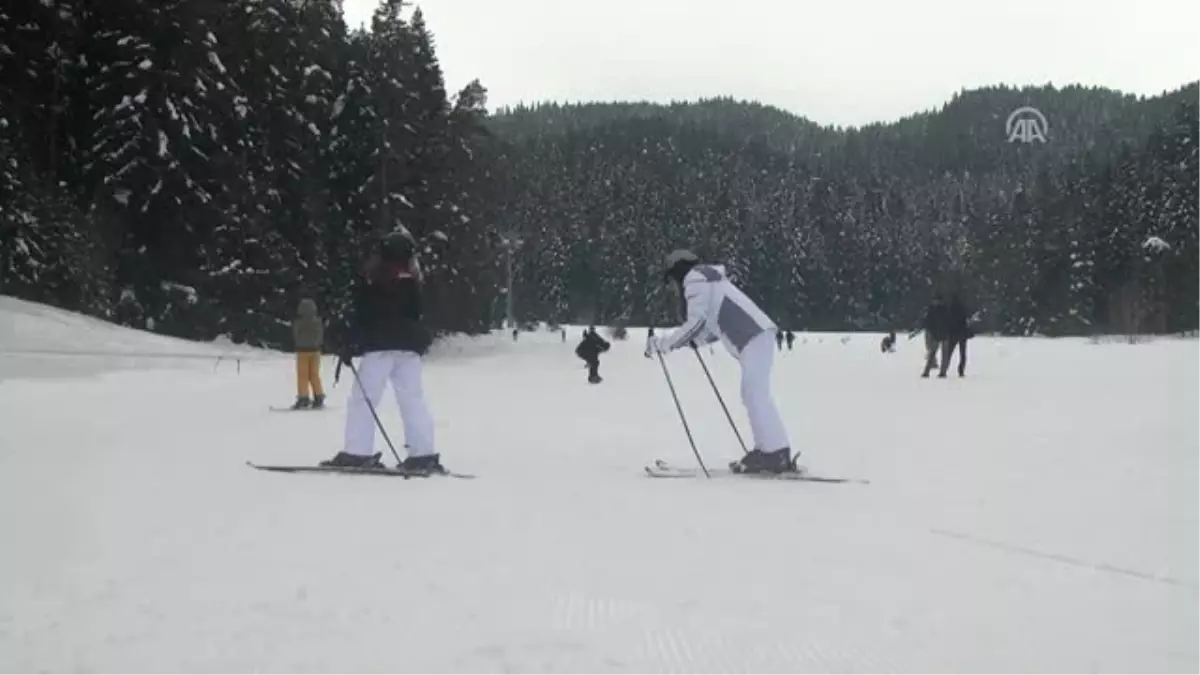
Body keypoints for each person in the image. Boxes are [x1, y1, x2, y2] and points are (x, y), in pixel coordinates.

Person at [644, 249, 793, 474]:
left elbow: (696, 323)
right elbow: (710, 328)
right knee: (752, 393)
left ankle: (776, 453)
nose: (674, 288)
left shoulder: (695, 280)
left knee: (755, 393)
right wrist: (691, 341)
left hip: (753, 336)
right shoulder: (708, 281)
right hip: (754, 336)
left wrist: (663, 344)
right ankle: (769, 450)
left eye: (672, 280)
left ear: (678, 271)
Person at [323, 231, 438, 471]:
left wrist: (349, 342)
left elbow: (364, 314)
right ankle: (423, 454)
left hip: (380, 346)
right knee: (413, 399)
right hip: (409, 347)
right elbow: (416, 314)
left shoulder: (375, 278)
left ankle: (357, 452)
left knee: (363, 400)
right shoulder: (413, 280)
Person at [291, 298, 326, 409]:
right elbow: (320, 336)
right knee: (314, 374)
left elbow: (295, 335)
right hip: (316, 351)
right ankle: (319, 395)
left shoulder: (298, 323)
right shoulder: (318, 322)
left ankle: (303, 397)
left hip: (302, 351)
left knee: (303, 375)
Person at [941, 293, 972, 377]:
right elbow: (965, 321)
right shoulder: (963, 309)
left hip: (953, 333)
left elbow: (948, 321)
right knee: (962, 354)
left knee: (949, 353)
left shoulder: (950, 309)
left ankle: (944, 370)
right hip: (962, 333)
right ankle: (961, 371)